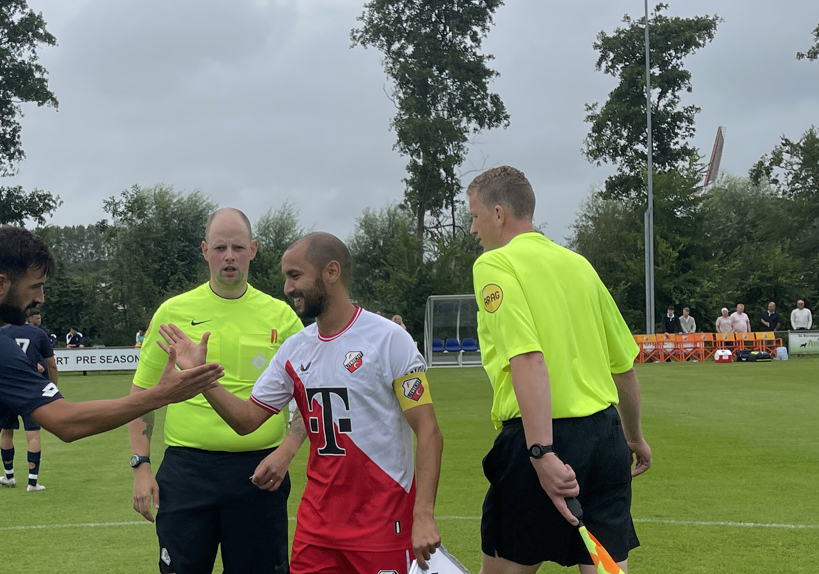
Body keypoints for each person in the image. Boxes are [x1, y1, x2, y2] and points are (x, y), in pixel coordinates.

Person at [0, 225, 224, 574]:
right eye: (35, 286)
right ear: (1, 284)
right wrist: (160, 395)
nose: (40, 298)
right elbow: (66, 423)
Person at [171, 231, 444, 573]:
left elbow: (428, 431)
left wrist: (423, 515)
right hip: (316, 532)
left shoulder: (390, 340)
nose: (287, 288)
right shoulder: (295, 349)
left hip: (382, 526)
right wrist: (201, 377)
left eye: (295, 275)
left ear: (331, 272)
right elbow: (247, 419)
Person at [457, 166, 649, 572]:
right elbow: (623, 367)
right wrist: (633, 437)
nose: (473, 228)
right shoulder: (580, 265)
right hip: (606, 436)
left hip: (539, 437)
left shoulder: (495, 265)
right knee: (606, 568)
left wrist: (541, 452)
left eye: (474, 216)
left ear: (498, 214)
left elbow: (527, 358)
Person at [126, 208, 306, 574]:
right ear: (205, 250)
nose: (229, 256)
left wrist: (287, 451)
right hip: (187, 471)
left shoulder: (281, 316)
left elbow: (309, 395)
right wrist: (141, 465)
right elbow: (141, 395)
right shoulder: (173, 312)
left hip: (261, 472)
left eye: (238, 247)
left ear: (253, 249)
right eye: (220, 247)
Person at [0, 309, 59, 491]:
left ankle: (9, 476)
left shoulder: (1, 332)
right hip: (32, 390)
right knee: (33, 434)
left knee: (6, 432)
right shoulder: (38, 333)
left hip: (7, 390)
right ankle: (32, 482)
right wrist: (53, 386)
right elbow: (51, 364)